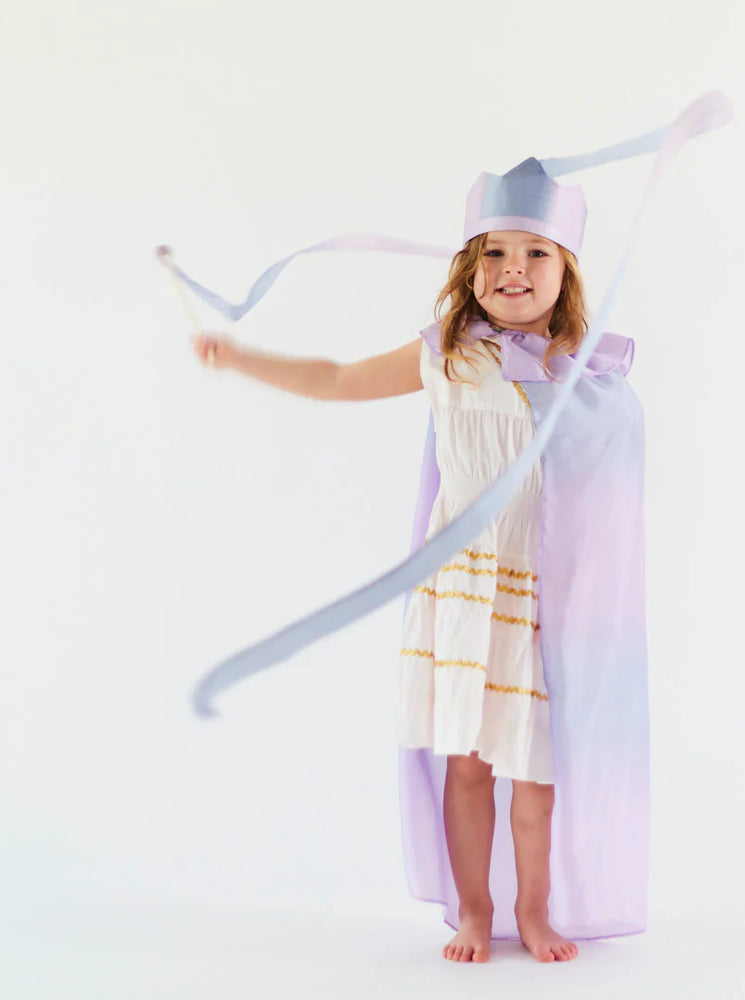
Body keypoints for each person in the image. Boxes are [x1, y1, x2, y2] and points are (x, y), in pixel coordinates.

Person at [191, 228, 588, 962]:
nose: (514, 269)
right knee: (468, 763)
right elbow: (337, 378)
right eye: (494, 254)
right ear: (470, 274)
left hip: (544, 591)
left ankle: (535, 910)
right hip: (467, 592)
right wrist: (242, 358)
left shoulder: (585, 372)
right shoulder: (446, 356)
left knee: (537, 774)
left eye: (537, 254)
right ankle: (474, 909)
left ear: (568, 272)